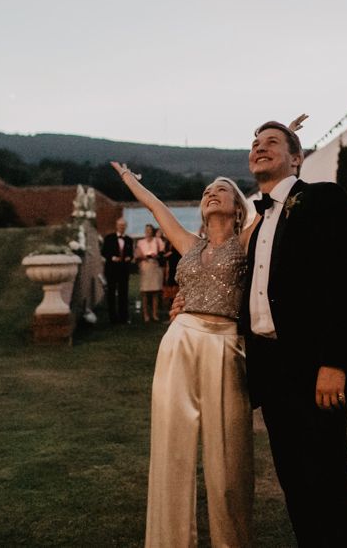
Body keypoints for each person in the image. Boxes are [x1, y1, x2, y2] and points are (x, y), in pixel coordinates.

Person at [174, 119, 347, 547]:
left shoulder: (323, 198)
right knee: (297, 487)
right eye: (254, 144)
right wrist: (187, 300)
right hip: (272, 371)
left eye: (272, 142)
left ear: (297, 158)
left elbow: (345, 279)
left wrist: (334, 361)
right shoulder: (256, 225)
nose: (260, 148)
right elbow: (231, 287)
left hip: (315, 368)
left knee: (329, 485)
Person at [111, 161, 254, 548]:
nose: (211, 192)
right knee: (171, 448)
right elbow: (158, 208)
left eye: (221, 189)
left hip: (226, 345)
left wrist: (289, 148)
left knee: (229, 458)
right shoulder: (189, 244)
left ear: (238, 207)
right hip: (180, 341)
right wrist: (128, 179)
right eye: (207, 189)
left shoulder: (247, 240)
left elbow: (272, 200)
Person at [101, 217, 134, 324]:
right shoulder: (109, 238)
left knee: (123, 293)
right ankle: (112, 318)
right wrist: (112, 257)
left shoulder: (129, 240)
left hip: (124, 270)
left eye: (124, 225)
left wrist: (129, 257)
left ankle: (123, 317)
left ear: (126, 227)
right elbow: (104, 252)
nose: (122, 227)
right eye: (120, 225)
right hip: (111, 270)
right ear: (116, 226)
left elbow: (131, 254)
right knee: (111, 293)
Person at [134, 223, 164, 323]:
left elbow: (162, 254)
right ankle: (146, 314)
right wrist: (142, 257)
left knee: (155, 292)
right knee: (145, 293)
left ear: (152, 231)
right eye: (146, 230)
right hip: (145, 268)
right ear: (145, 231)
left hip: (155, 267)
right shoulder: (140, 242)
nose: (148, 232)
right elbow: (136, 256)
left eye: (150, 230)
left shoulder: (158, 240)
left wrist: (156, 256)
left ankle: (155, 314)